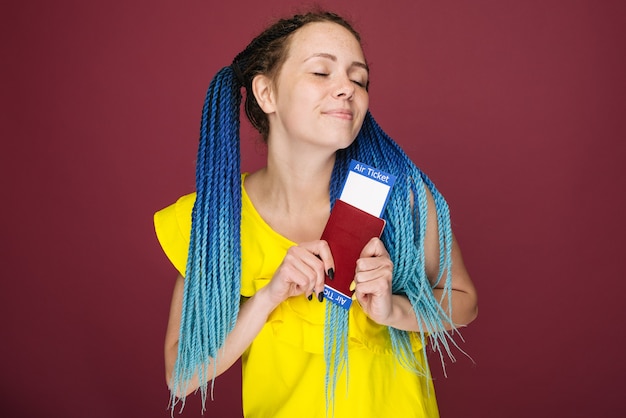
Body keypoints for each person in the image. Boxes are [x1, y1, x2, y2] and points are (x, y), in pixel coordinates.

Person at [154, 10, 477, 418]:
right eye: (322, 72)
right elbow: (180, 377)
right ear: (266, 94)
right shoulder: (214, 220)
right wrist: (269, 297)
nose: (346, 89)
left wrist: (392, 310)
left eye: (358, 79)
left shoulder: (402, 199)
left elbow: (464, 302)